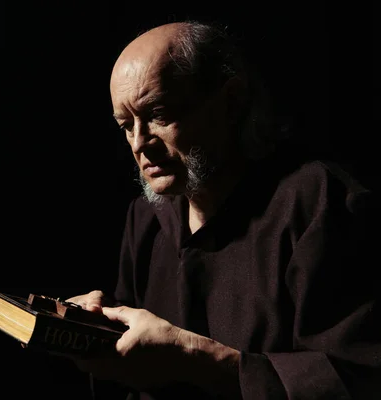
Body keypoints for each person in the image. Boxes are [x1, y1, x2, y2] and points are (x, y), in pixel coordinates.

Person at [64, 20, 381, 399]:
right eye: (125, 125)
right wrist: (95, 334)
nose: (139, 142)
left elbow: (360, 379)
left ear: (231, 102)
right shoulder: (145, 217)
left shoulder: (321, 203)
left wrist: (195, 358)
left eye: (159, 114)